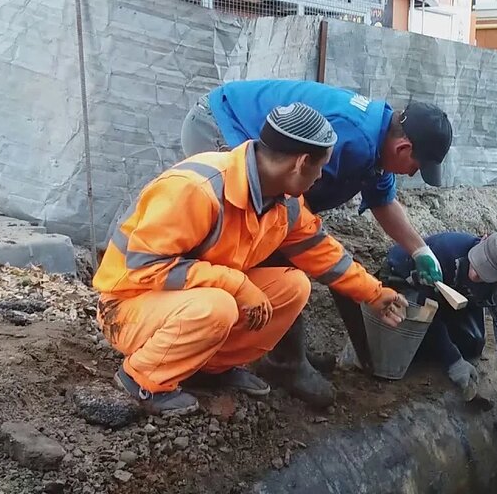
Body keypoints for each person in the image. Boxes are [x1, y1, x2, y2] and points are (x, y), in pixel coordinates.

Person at [93, 103, 408, 416]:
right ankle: (142, 378)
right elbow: (146, 265)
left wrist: (374, 294)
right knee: (219, 306)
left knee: (293, 287)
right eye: (320, 167)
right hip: (126, 306)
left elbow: (321, 251)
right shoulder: (198, 189)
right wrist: (237, 283)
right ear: (300, 163)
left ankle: (208, 368)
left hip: (184, 301)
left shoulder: (285, 200)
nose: (320, 177)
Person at [179, 79, 453, 407]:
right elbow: (293, 222)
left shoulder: (377, 141)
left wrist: (419, 249)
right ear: (403, 149)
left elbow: (382, 201)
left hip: (238, 121)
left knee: (289, 240)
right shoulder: (354, 138)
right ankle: (277, 361)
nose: (411, 175)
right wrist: (354, 279)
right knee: (266, 238)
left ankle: (278, 347)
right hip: (222, 123)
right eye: (416, 168)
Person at [371, 230, 497, 429]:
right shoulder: (446, 251)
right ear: (484, 238)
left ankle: (432, 348)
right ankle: (425, 350)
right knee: (408, 337)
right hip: (403, 282)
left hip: (448, 297)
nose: (475, 273)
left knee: (473, 343)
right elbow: (424, 308)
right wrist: (453, 360)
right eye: (479, 262)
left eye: (487, 271)